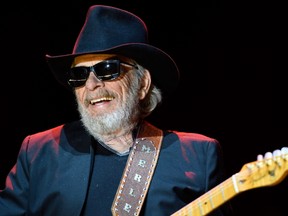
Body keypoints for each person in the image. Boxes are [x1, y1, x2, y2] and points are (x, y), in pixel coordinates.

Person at [0, 5, 234, 216]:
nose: (91, 85)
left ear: (142, 84)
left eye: (107, 69)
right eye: (79, 75)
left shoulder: (198, 156)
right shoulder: (39, 152)